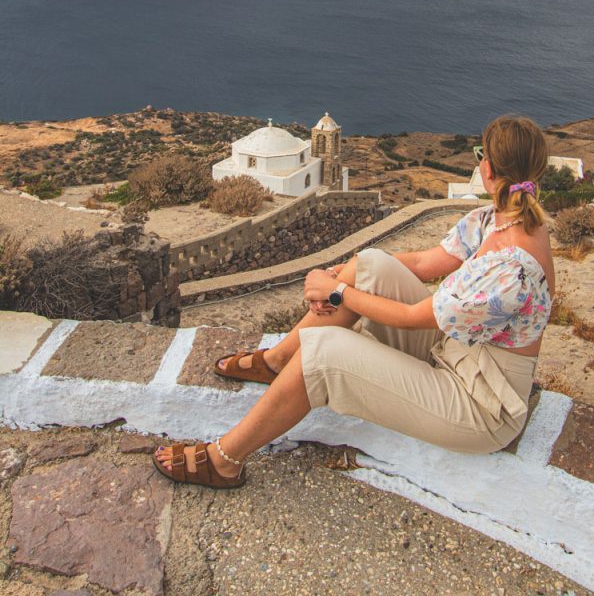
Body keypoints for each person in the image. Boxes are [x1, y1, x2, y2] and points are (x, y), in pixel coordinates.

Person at [153, 114, 554, 489]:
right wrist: (343, 272)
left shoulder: (511, 265)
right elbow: (420, 262)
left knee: (325, 353)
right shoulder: (496, 220)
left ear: (487, 169)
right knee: (372, 265)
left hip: (480, 404)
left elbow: (414, 317)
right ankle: (277, 361)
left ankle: (225, 460)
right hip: (455, 354)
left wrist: (339, 293)